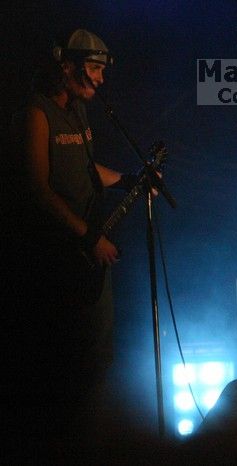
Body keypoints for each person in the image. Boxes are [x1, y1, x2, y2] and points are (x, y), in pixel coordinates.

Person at [5, 29, 141, 454]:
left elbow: (85, 169)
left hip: (87, 261)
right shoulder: (36, 114)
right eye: (95, 68)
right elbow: (38, 188)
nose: (100, 79)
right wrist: (89, 239)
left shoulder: (79, 114)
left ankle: (90, 440)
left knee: (97, 356)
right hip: (55, 261)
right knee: (62, 361)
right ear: (68, 66)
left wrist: (127, 180)